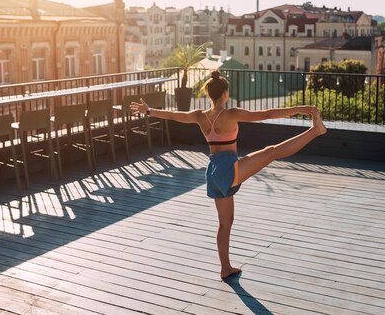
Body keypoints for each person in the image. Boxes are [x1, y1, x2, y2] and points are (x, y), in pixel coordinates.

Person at [131, 70, 327, 280]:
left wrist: (148, 110)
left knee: (225, 222)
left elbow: (173, 115)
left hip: (212, 171)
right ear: (225, 94)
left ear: (209, 94)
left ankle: (225, 268)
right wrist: (302, 109)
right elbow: (267, 114)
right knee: (272, 152)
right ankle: (315, 131)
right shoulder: (231, 114)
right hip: (227, 168)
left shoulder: (200, 116)